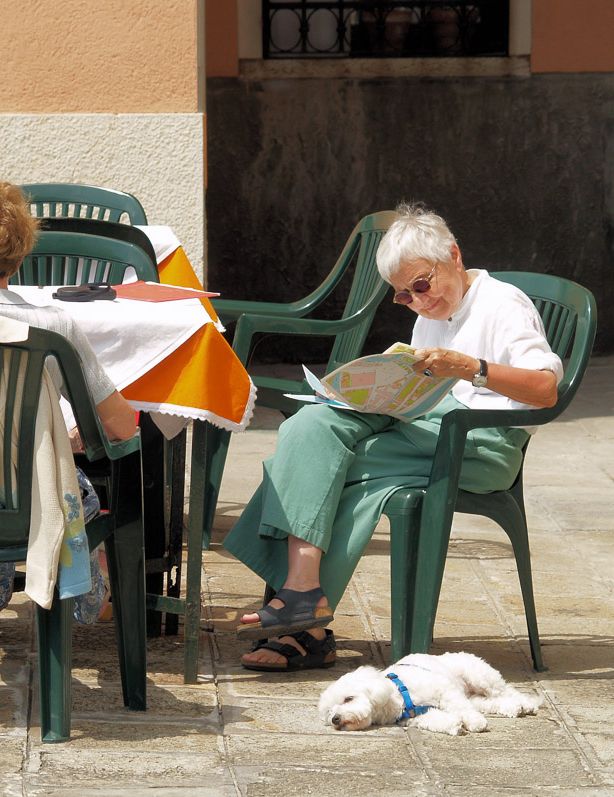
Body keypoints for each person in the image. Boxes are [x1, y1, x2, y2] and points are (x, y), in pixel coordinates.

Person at [223, 203, 563, 672]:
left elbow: (546, 389)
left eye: (421, 286)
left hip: (478, 442)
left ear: (454, 256)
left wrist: (472, 369)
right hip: (424, 429)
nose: (418, 302)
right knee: (308, 427)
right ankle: (304, 599)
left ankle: (307, 624)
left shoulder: (503, 304)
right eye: (403, 297)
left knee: (319, 463)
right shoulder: (433, 312)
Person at [0, 176, 138, 623]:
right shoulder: (52, 327)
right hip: (32, 502)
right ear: (20, 254)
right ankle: (85, 591)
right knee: (72, 487)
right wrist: (77, 435)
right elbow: (122, 428)